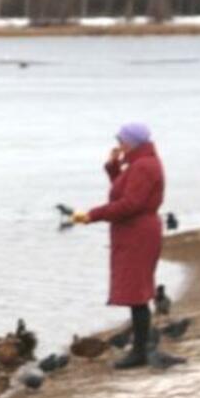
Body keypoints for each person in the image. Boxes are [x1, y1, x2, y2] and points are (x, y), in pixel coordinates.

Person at [71, 122, 165, 368]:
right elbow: (122, 192)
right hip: (135, 231)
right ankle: (140, 348)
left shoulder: (143, 166)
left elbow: (130, 204)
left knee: (138, 293)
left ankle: (139, 352)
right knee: (137, 291)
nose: (118, 144)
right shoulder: (138, 164)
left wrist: (92, 215)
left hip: (138, 233)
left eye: (121, 139)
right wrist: (113, 168)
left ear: (133, 142)